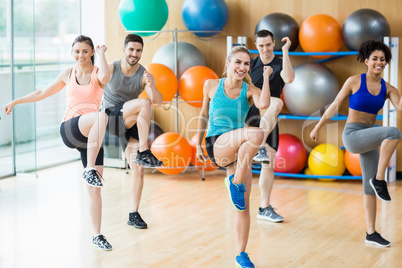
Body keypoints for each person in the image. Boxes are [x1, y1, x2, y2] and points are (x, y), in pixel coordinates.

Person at [3, 35, 113, 250]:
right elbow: (43, 92)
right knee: (102, 116)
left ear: (91, 52)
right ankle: (89, 169)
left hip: (91, 137)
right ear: (72, 53)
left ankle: (97, 235)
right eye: (76, 51)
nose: (80, 55)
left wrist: (102, 53)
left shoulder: (98, 74)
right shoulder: (67, 74)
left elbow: (107, 76)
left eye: (84, 51)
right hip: (70, 129)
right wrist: (17, 101)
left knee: (94, 189)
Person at [310, 39, 401, 248]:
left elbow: (400, 105)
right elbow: (334, 106)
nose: (379, 62)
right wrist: (317, 127)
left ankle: (371, 233)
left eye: (383, 59)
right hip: (353, 135)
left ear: (386, 63)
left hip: (370, 136)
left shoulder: (389, 89)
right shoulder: (353, 81)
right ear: (367, 60)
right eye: (375, 59)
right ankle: (380, 179)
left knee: (369, 190)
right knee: (394, 132)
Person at [196, 46, 271, 268]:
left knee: (243, 206)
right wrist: (197, 141)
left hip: (240, 154)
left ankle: (241, 254)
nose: (242, 67)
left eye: (246, 64)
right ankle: (236, 181)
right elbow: (202, 114)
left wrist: (266, 77)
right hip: (217, 144)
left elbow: (264, 104)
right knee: (256, 133)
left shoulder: (249, 90)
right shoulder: (211, 85)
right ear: (227, 63)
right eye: (238, 62)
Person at [102, 34, 163, 230]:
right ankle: (145, 152)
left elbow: (159, 101)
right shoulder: (112, 68)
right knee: (143, 102)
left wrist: (151, 84)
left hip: (128, 121)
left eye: (138, 51)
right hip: (111, 118)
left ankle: (133, 213)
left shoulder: (143, 74)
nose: (134, 54)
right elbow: (95, 83)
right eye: (131, 50)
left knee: (138, 168)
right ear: (124, 50)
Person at [246, 29, 295, 223]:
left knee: (268, 163)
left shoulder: (280, 62)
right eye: (261, 46)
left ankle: (264, 207)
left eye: (268, 45)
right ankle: (260, 146)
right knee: (275, 102)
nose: (265, 49)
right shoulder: (252, 65)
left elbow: (289, 79)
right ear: (256, 46)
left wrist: (286, 52)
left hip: (270, 120)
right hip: (252, 115)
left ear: (273, 43)